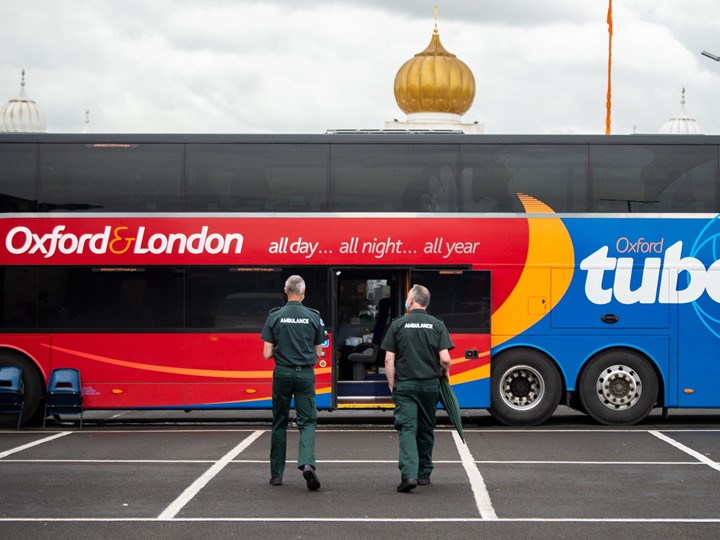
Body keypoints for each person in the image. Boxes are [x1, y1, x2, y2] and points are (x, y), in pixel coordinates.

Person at [381, 284, 453, 493]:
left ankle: (409, 475)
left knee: (407, 429)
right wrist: (445, 373)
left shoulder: (398, 325)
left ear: (411, 300)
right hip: (430, 386)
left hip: (406, 386)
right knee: (426, 428)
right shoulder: (437, 325)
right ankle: (424, 474)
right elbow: (445, 359)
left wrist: (393, 384)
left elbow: (388, 360)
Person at [261, 275, 326, 491]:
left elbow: (267, 353)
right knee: (307, 422)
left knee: (279, 421)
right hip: (305, 375)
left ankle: (276, 475)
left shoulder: (275, 316)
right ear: (303, 292)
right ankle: (307, 463)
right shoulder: (313, 317)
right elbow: (318, 352)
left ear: (285, 290)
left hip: (282, 373)